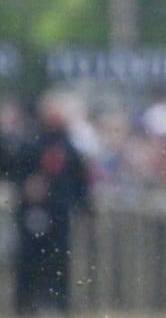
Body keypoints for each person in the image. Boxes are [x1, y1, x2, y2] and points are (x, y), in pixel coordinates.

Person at [2, 94, 92, 315]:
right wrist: (25, 186)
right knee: (28, 261)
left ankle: (57, 305)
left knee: (59, 261)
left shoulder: (70, 147)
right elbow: (13, 171)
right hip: (31, 214)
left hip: (59, 214)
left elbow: (80, 181)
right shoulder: (29, 143)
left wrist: (84, 208)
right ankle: (25, 305)